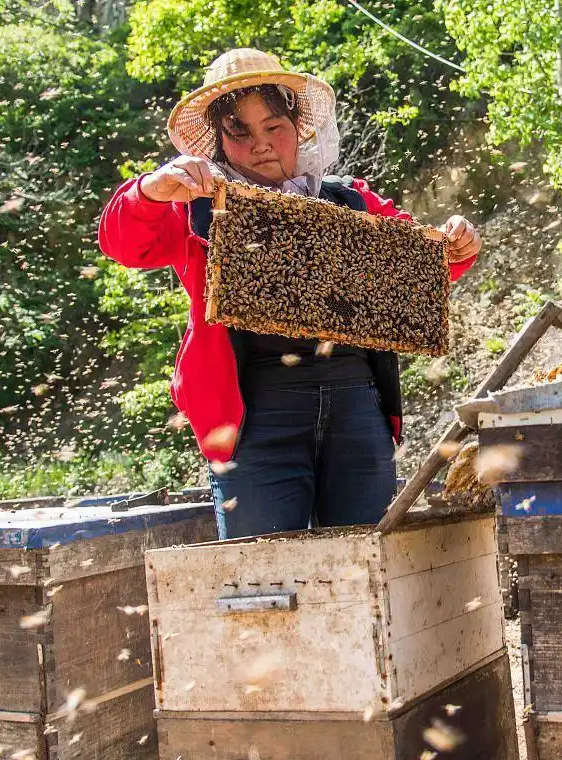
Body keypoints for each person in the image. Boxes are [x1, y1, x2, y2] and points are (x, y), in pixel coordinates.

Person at [98, 49, 481, 539]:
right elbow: (124, 243)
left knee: (369, 566)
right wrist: (149, 191)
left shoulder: (350, 200)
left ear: (298, 127)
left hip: (356, 402)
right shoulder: (191, 206)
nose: (260, 144)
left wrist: (458, 245)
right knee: (262, 575)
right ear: (218, 139)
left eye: (273, 126)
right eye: (239, 131)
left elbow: (424, 268)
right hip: (254, 409)